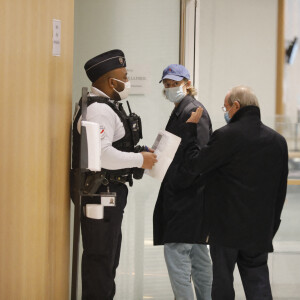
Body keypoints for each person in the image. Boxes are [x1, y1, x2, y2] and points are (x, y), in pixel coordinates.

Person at [181, 86, 289, 300]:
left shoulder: (225, 136)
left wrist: (190, 132)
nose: (226, 112)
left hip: (225, 229)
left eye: (226, 107)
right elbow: (280, 190)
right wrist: (272, 226)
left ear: (236, 106)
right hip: (260, 229)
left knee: (222, 283)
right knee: (258, 283)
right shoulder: (277, 141)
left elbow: (195, 165)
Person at [71, 49, 157, 300]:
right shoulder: (99, 111)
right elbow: (103, 155)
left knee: (107, 259)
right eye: (125, 75)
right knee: (101, 261)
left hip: (107, 195)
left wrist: (139, 152)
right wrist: (141, 160)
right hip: (101, 195)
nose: (127, 80)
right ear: (112, 82)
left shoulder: (106, 107)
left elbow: (111, 147)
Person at [153, 64, 213, 300]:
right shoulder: (182, 108)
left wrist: (177, 181)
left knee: (177, 254)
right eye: (166, 85)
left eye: (174, 84)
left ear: (187, 84)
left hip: (186, 197)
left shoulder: (193, 110)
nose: (170, 88)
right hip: (190, 196)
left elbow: (198, 157)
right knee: (198, 255)